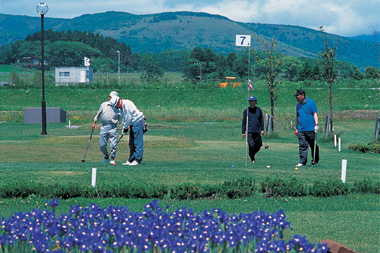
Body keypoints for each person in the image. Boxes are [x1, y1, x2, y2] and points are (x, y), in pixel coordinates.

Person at [109, 94, 147, 166]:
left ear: (117, 102)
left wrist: (126, 128)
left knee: (137, 143)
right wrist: (124, 127)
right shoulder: (121, 108)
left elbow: (128, 118)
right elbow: (124, 119)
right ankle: (131, 160)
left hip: (137, 122)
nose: (116, 107)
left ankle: (137, 160)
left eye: (115, 106)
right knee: (131, 143)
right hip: (133, 124)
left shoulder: (127, 104)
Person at [92, 91, 120, 165]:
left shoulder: (118, 107)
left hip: (113, 127)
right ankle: (106, 156)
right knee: (102, 145)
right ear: (109, 97)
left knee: (113, 144)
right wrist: (94, 123)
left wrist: (126, 125)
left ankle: (112, 158)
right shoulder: (103, 104)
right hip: (104, 126)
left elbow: (123, 116)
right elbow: (98, 114)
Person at [294, 88, 319, 167]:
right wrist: (296, 128)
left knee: (313, 145)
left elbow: (315, 114)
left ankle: (314, 160)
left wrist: (316, 125)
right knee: (302, 146)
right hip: (301, 129)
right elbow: (297, 117)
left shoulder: (311, 103)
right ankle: (302, 161)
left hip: (311, 128)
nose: (296, 97)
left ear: (302, 95)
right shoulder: (297, 106)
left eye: (297, 96)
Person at [242, 96, 265, 163]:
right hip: (250, 131)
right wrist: (243, 132)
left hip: (257, 131)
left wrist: (262, 129)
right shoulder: (246, 111)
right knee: (251, 145)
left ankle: (251, 154)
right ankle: (252, 158)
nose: (251, 102)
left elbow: (261, 120)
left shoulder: (259, 110)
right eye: (250, 101)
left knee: (259, 145)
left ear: (255, 102)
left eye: (253, 101)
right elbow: (244, 122)